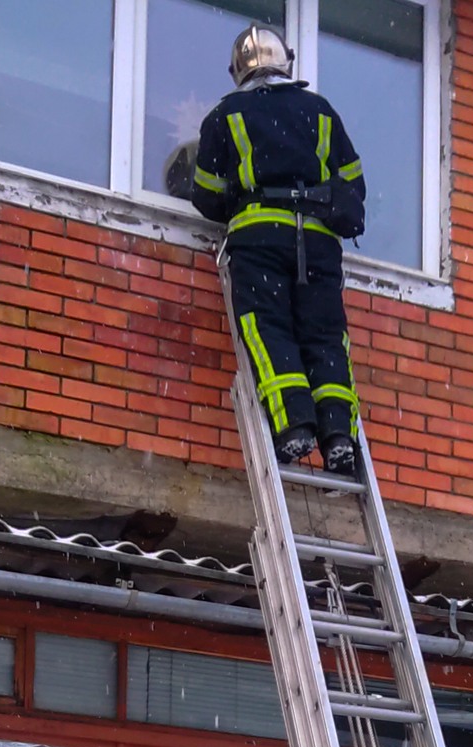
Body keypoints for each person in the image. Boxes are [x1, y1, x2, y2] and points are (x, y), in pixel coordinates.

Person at [173, 24, 366, 474]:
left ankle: (294, 424)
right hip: (317, 243)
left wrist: (241, 201)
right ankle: (338, 433)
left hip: (259, 239)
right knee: (324, 336)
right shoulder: (321, 112)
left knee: (268, 329)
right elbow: (352, 184)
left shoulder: (226, 115)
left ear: (237, 70)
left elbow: (206, 193)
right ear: (287, 61)